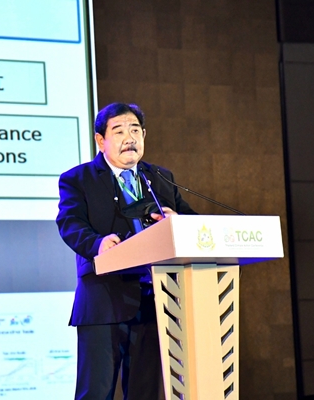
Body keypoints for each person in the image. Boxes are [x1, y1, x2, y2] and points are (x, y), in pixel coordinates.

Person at [56, 102, 196, 399]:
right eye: (119, 131)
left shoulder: (160, 177)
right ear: (101, 140)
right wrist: (98, 244)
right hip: (103, 300)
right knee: (96, 393)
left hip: (154, 299)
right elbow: (70, 223)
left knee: (144, 393)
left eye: (135, 130)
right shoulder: (78, 179)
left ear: (144, 135)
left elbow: (192, 222)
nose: (129, 138)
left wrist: (178, 222)